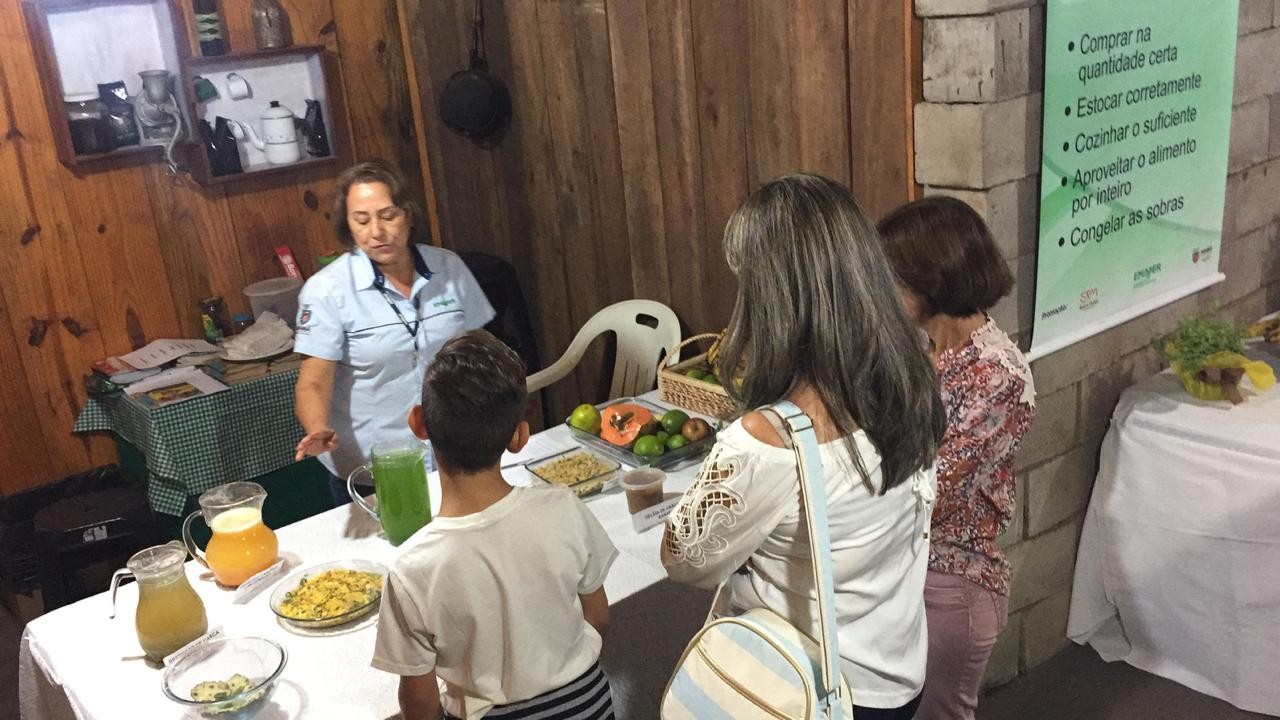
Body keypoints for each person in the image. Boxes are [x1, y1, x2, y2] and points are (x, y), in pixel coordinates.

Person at [661, 174, 946, 719]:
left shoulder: (771, 439)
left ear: (771, 298)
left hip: (806, 688)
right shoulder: (911, 377)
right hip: (896, 666)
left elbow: (684, 560)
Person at [372, 330, 618, 719]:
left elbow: (419, 702)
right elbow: (598, 616)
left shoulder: (411, 569)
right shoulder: (564, 507)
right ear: (520, 436)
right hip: (587, 702)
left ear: (418, 423)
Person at [877, 196, 1036, 720]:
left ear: (932, 281)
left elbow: (930, 491)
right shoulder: (917, 349)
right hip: (899, 573)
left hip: (949, 585)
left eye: (893, 280)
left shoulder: (998, 375)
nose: (883, 293)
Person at [293, 160, 495, 506]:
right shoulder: (327, 290)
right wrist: (317, 427)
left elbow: (480, 351)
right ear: (348, 226)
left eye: (388, 216)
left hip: (455, 452)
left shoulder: (448, 267)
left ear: (409, 215)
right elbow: (313, 382)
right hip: (377, 468)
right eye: (362, 220)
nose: (377, 232)